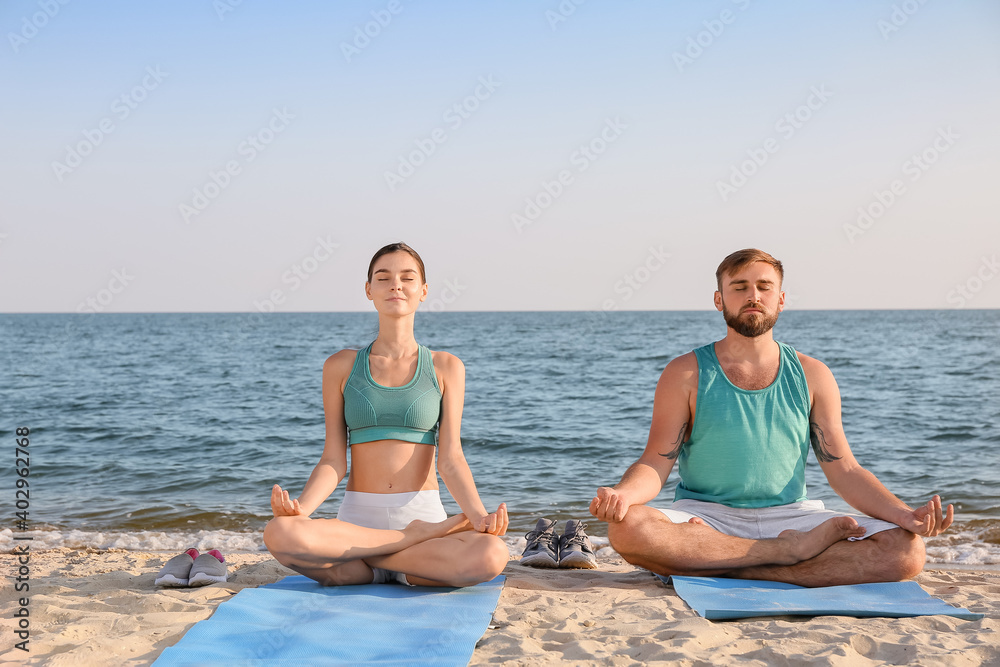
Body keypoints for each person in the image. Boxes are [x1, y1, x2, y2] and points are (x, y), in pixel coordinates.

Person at [590, 248, 954, 587]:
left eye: (765, 287)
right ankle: (784, 557)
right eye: (739, 287)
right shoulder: (685, 373)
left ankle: (728, 564)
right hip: (706, 518)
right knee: (628, 527)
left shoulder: (813, 374)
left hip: (791, 517)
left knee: (906, 551)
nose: (754, 296)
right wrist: (623, 494)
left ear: (781, 299)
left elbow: (845, 470)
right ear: (719, 300)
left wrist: (904, 515)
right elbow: (655, 461)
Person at [264, 242, 509, 587]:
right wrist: (302, 508)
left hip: (401, 529)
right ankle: (407, 540)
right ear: (368, 290)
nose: (396, 285)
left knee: (491, 555)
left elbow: (451, 459)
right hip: (359, 524)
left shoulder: (445, 366)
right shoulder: (341, 366)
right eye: (383, 277)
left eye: (407, 278)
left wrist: (477, 515)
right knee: (280, 532)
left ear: (423, 291)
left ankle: (386, 551)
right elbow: (334, 459)